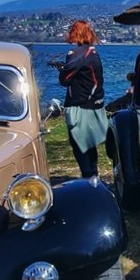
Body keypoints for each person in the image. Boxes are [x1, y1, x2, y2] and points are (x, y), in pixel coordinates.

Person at [58, 20, 108, 179]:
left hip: (80, 107)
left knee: (79, 146)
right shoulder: (92, 52)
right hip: (95, 105)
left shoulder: (77, 55)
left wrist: (62, 69)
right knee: (89, 145)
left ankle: (88, 178)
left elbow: (65, 79)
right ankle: (93, 175)